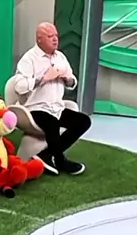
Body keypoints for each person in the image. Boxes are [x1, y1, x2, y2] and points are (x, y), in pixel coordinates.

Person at [14, 22, 91, 175]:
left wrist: (68, 79)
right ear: (39, 39)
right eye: (50, 36)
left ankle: (46, 154)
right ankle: (60, 161)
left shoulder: (60, 57)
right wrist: (43, 78)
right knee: (52, 123)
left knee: (83, 121)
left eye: (56, 36)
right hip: (34, 108)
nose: (55, 39)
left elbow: (73, 82)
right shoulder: (29, 59)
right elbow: (19, 86)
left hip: (57, 108)